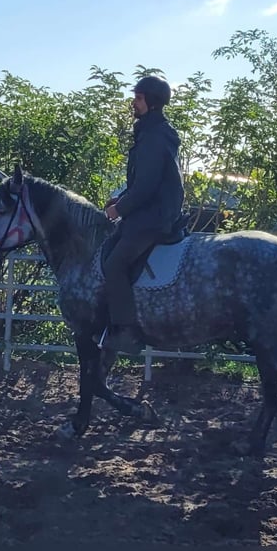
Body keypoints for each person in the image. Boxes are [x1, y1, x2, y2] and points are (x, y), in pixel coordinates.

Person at [100, 75, 185, 354]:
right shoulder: (153, 132)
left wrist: (118, 209)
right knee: (109, 251)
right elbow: (144, 183)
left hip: (153, 217)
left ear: (151, 102)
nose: (133, 102)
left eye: (138, 98)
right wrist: (122, 198)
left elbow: (147, 187)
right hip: (152, 211)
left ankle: (127, 333)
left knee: (114, 266)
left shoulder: (152, 137)